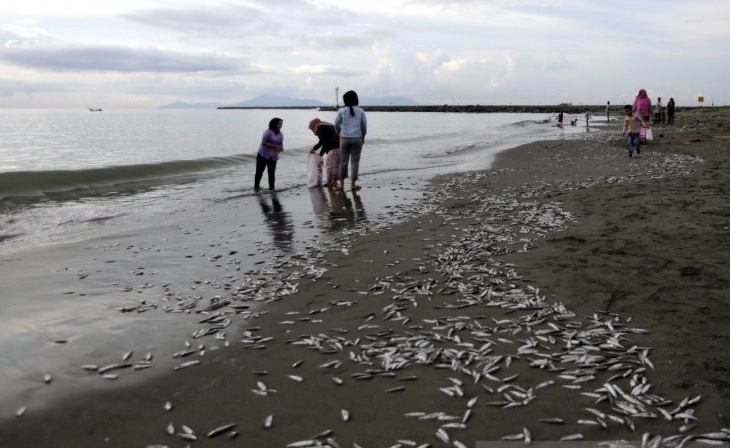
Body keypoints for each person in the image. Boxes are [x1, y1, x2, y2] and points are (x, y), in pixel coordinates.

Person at [334, 90, 367, 191]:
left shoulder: (341, 111)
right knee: (355, 162)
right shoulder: (361, 111)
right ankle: (353, 184)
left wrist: (339, 133)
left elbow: (336, 124)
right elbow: (364, 126)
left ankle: (341, 184)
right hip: (357, 139)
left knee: (343, 162)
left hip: (344, 138)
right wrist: (363, 137)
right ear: (356, 99)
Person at [308, 118, 341, 188]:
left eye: (311, 129)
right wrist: (321, 154)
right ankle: (334, 182)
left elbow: (323, 141)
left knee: (329, 166)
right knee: (336, 165)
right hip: (340, 146)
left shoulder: (320, 127)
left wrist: (314, 148)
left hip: (334, 147)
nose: (313, 131)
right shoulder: (327, 125)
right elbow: (326, 141)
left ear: (314, 125)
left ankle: (329, 182)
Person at [254, 117, 284, 191]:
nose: (281, 125)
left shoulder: (280, 134)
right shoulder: (267, 132)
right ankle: (256, 188)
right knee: (259, 173)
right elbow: (264, 143)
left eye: (281, 124)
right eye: (279, 123)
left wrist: (281, 148)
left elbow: (281, 144)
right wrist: (275, 146)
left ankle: (272, 189)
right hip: (263, 155)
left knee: (271, 174)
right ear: (274, 124)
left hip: (273, 156)